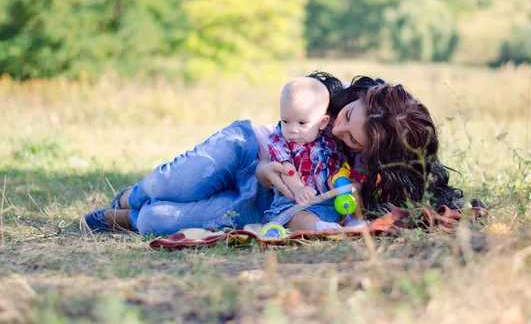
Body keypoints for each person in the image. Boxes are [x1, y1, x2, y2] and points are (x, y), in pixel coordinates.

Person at [85, 71, 464, 236]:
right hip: (250, 150)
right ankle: (131, 195)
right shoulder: (334, 96)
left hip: (268, 202)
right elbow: (290, 123)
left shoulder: (376, 169)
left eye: (354, 140)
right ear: (359, 98)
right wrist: (264, 169)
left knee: (159, 221)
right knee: (176, 182)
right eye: (346, 117)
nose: (337, 130)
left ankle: (128, 218)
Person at [263, 77, 343, 232]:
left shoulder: (326, 142)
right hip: (294, 203)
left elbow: (331, 166)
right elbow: (286, 169)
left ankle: (347, 224)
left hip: (326, 201)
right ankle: (318, 228)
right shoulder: (279, 141)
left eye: (301, 123)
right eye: (285, 121)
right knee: (300, 218)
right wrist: (298, 188)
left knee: (343, 210)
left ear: (322, 122)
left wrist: (336, 182)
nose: (292, 129)